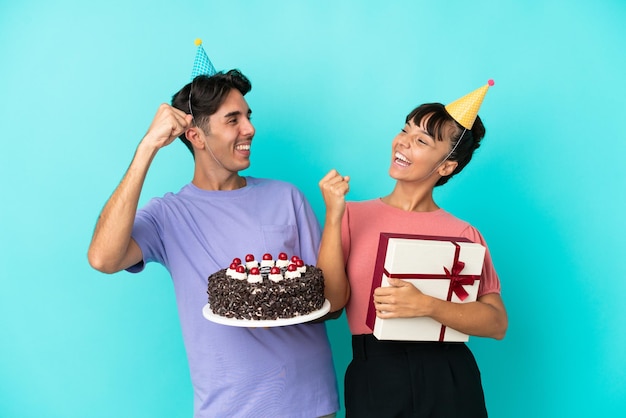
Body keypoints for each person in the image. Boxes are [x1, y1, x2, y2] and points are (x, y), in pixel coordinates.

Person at [87, 42, 339, 418]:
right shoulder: (168, 215)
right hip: (229, 408)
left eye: (248, 116)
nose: (250, 128)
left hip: (309, 401)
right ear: (196, 135)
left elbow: (329, 302)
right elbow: (103, 258)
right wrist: (147, 148)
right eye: (232, 119)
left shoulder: (287, 197)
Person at [318, 81, 507, 417]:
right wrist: (333, 216)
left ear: (446, 166)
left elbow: (496, 323)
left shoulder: (464, 234)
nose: (403, 142)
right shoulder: (350, 215)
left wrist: (426, 305)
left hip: (449, 375)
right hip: (375, 374)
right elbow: (331, 305)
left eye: (422, 141)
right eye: (405, 130)